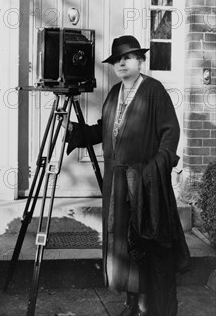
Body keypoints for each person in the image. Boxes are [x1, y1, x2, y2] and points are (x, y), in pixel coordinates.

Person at [66, 35, 190, 316]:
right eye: (117, 60)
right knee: (122, 243)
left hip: (144, 182)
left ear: (140, 61)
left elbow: (170, 134)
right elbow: (102, 130)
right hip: (117, 184)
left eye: (128, 58)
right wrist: (73, 130)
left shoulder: (154, 91)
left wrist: (154, 169)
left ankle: (147, 306)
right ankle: (132, 302)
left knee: (145, 244)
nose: (121, 64)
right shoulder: (114, 93)